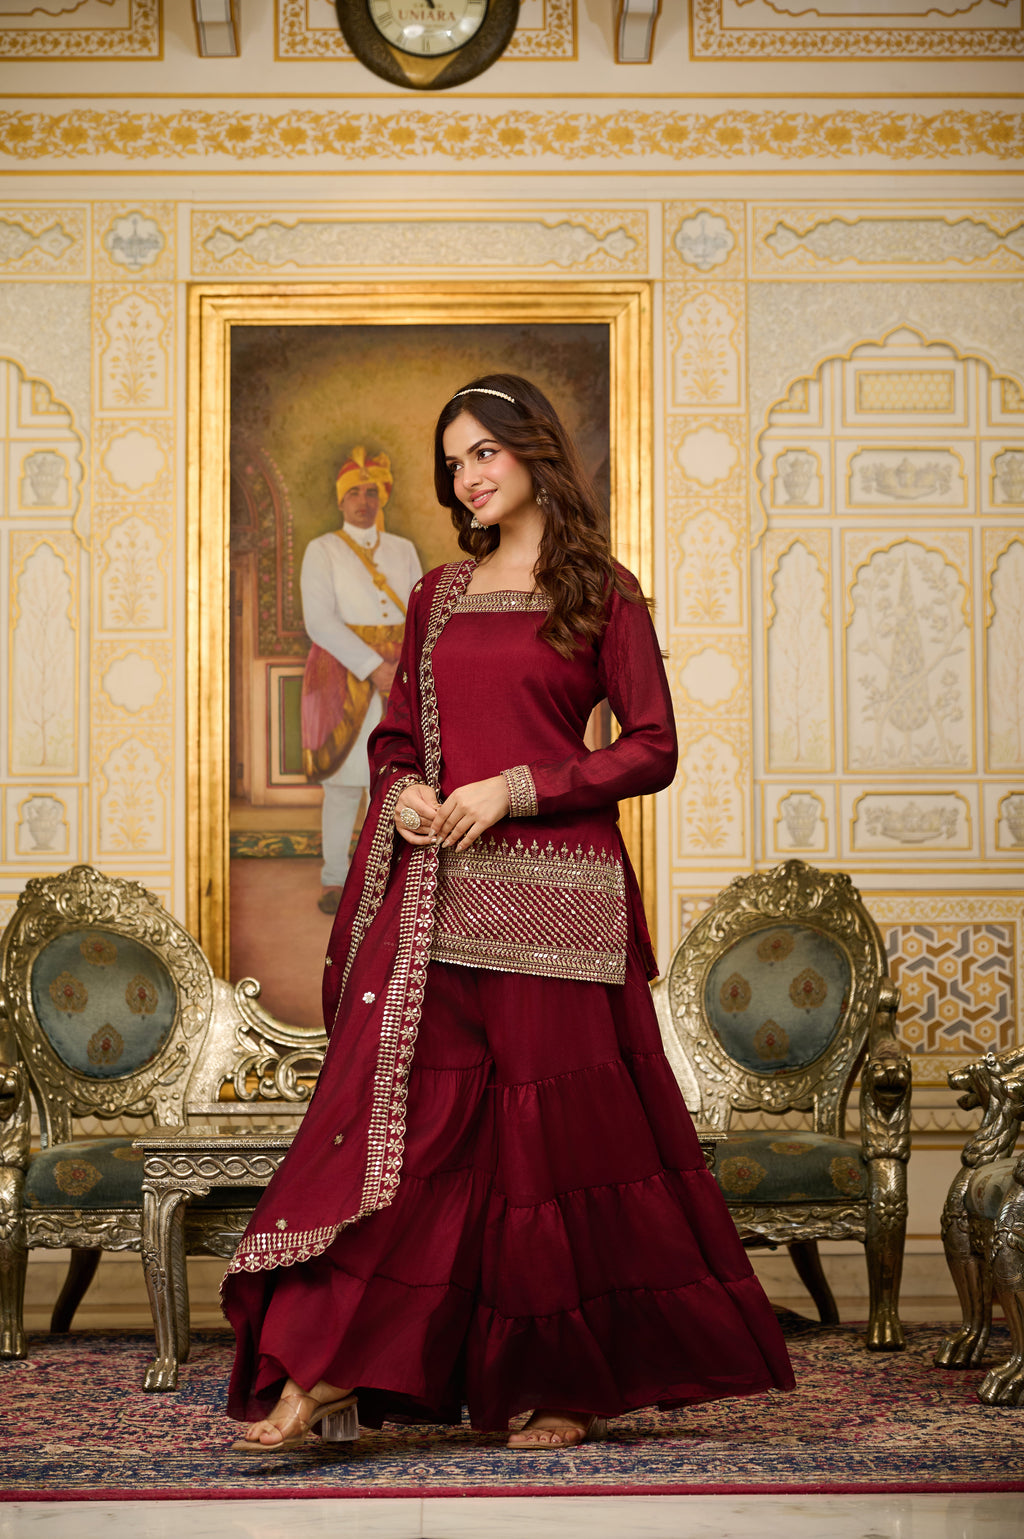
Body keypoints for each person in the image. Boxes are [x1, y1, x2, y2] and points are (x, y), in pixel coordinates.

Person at [223, 373, 794, 1454]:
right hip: (439, 899)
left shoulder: (602, 593)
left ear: (534, 453)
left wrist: (516, 787)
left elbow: (654, 747)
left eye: (482, 452)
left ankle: (566, 1385)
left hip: (560, 908)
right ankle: (331, 1368)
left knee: (555, 1154)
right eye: (453, 462)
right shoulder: (437, 596)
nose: (466, 477)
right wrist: (410, 793)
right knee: (414, 1141)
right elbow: (396, 740)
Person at [300, 445, 422, 914]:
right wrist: (374, 668)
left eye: (372, 492)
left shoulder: (403, 550)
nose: (364, 501)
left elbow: (417, 612)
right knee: (345, 780)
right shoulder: (324, 550)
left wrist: (402, 669)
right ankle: (335, 879)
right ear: (341, 500)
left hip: (400, 671)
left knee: (392, 777)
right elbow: (320, 622)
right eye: (355, 492)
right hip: (342, 671)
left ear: (382, 498)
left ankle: (388, 881)